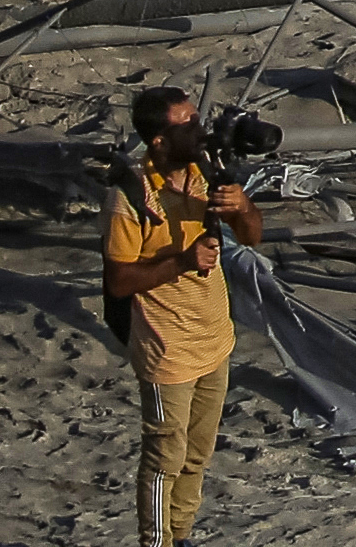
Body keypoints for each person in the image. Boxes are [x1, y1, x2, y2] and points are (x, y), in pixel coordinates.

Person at [105, 80, 260, 546]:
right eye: (188, 123)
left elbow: (251, 235)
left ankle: (182, 535)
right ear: (159, 140)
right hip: (166, 351)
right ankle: (155, 542)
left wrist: (241, 205)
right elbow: (118, 282)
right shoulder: (130, 196)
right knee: (164, 457)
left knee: (197, 454)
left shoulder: (205, 172)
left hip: (214, 340)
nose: (201, 130)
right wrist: (182, 261)